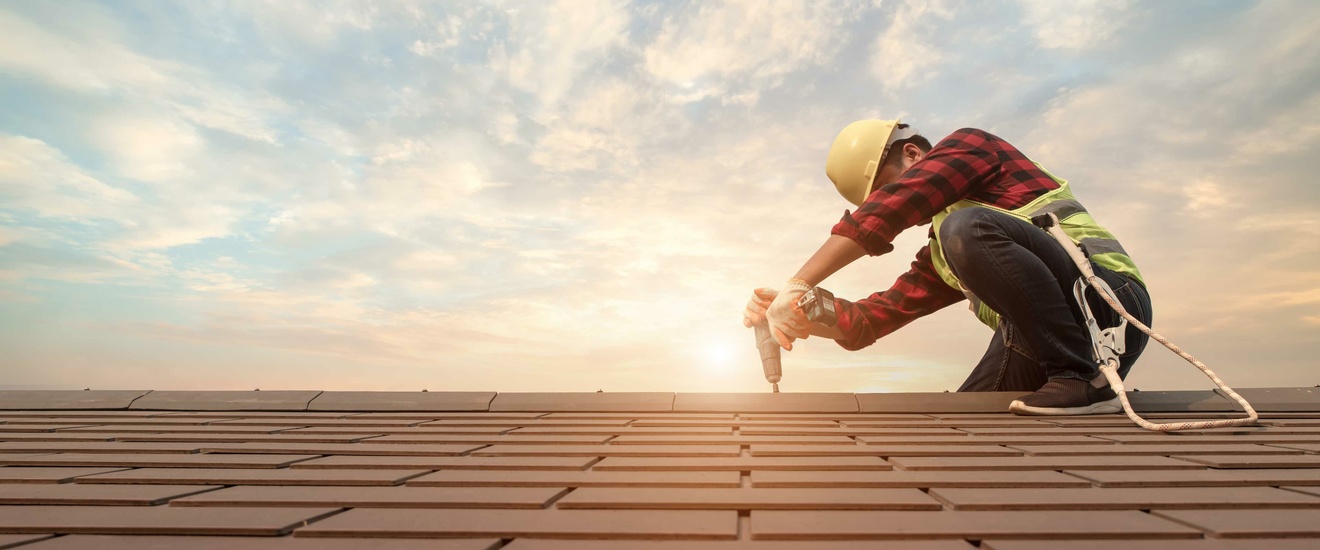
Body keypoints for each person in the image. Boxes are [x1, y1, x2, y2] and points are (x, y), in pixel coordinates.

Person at [743, 120, 1153, 415]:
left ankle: (1081, 379)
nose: (899, 201)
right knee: (964, 421)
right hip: (1037, 341)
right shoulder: (948, 251)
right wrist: (801, 310)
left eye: (889, 188)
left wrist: (799, 281)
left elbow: (897, 206)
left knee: (966, 227)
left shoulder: (972, 148)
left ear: (913, 153)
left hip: (1108, 304)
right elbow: (871, 319)